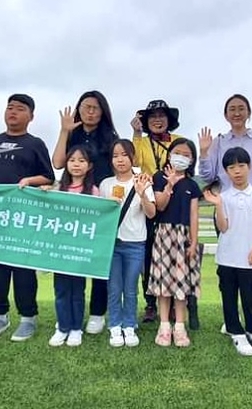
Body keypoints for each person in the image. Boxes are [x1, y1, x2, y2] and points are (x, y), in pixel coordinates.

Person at [0, 94, 55, 342]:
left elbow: (48, 177)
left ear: (30, 116)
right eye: (10, 108)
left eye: (20, 109)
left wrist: (29, 181)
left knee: (23, 269)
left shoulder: (35, 144)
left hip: (22, 218)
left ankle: (28, 318)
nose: (13, 112)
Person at [198, 94, 252, 331]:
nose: (236, 113)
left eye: (241, 108)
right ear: (225, 115)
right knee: (229, 265)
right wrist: (204, 152)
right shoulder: (219, 141)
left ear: (248, 112)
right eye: (231, 109)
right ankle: (231, 316)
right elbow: (207, 175)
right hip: (227, 207)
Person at [51, 90, 118, 335]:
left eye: (95, 108)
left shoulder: (110, 136)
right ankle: (68, 317)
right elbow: (58, 163)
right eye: (86, 106)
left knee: (98, 259)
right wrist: (64, 131)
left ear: (103, 112)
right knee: (70, 261)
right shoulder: (73, 134)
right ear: (79, 109)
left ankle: (98, 313)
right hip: (72, 204)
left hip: (100, 204)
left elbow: (119, 166)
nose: (90, 111)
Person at [203, 147, 252, 356]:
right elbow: (223, 227)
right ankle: (236, 332)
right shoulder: (223, 197)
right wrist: (217, 206)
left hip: (250, 258)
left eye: (241, 166)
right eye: (232, 167)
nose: (237, 171)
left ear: (249, 167)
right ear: (226, 171)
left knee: (251, 297)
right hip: (227, 258)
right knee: (229, 296)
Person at [100, 140, 156, 348]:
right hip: (112, 244)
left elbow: (151, 213)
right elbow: (100, 215)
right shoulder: (105, 184)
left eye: (124, 155)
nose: (120, 159)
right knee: (114, 287)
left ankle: (129, 325)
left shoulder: (142, 181)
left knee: (130, 288)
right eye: (115, 156)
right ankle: (115, 325)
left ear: (132, 157)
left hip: (135, 244)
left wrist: (142, 193)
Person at [131, 100, 182, 323]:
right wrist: (135, 133)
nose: (157, 120)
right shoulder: (141, 142)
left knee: (174, 254)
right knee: (149, 254)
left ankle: (174, 301)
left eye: (162, 115)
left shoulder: (179, 142)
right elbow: (134, 163)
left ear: (169, 120)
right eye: (152, 116)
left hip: (174, 199)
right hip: (150, 201)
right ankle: (151, 302)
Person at [148, 138, 201, 347]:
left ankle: (180, 325)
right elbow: (159, 206)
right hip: (163, 234)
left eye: (187, 154)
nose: (181, 157)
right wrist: (170, 184)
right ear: (169, 154)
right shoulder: (159, 178)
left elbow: (194, 215)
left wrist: (194, 242)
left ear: (192, 160)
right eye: (177, 152)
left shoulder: (192, 185)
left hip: (183, 236)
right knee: (163, 282)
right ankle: (164, 325)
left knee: (180, 282)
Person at [43, 146, 99, 347]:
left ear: (89, 166)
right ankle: (62, 327)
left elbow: (100, 217)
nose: (76, 164)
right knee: (61, 290)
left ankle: (76, 328)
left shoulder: (93, 191)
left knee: (77, 290)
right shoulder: (58, 188)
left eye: (82, 160)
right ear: (66, 164)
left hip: (80, 249)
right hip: (60, 249)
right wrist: (44, 193)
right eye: (73, 160)